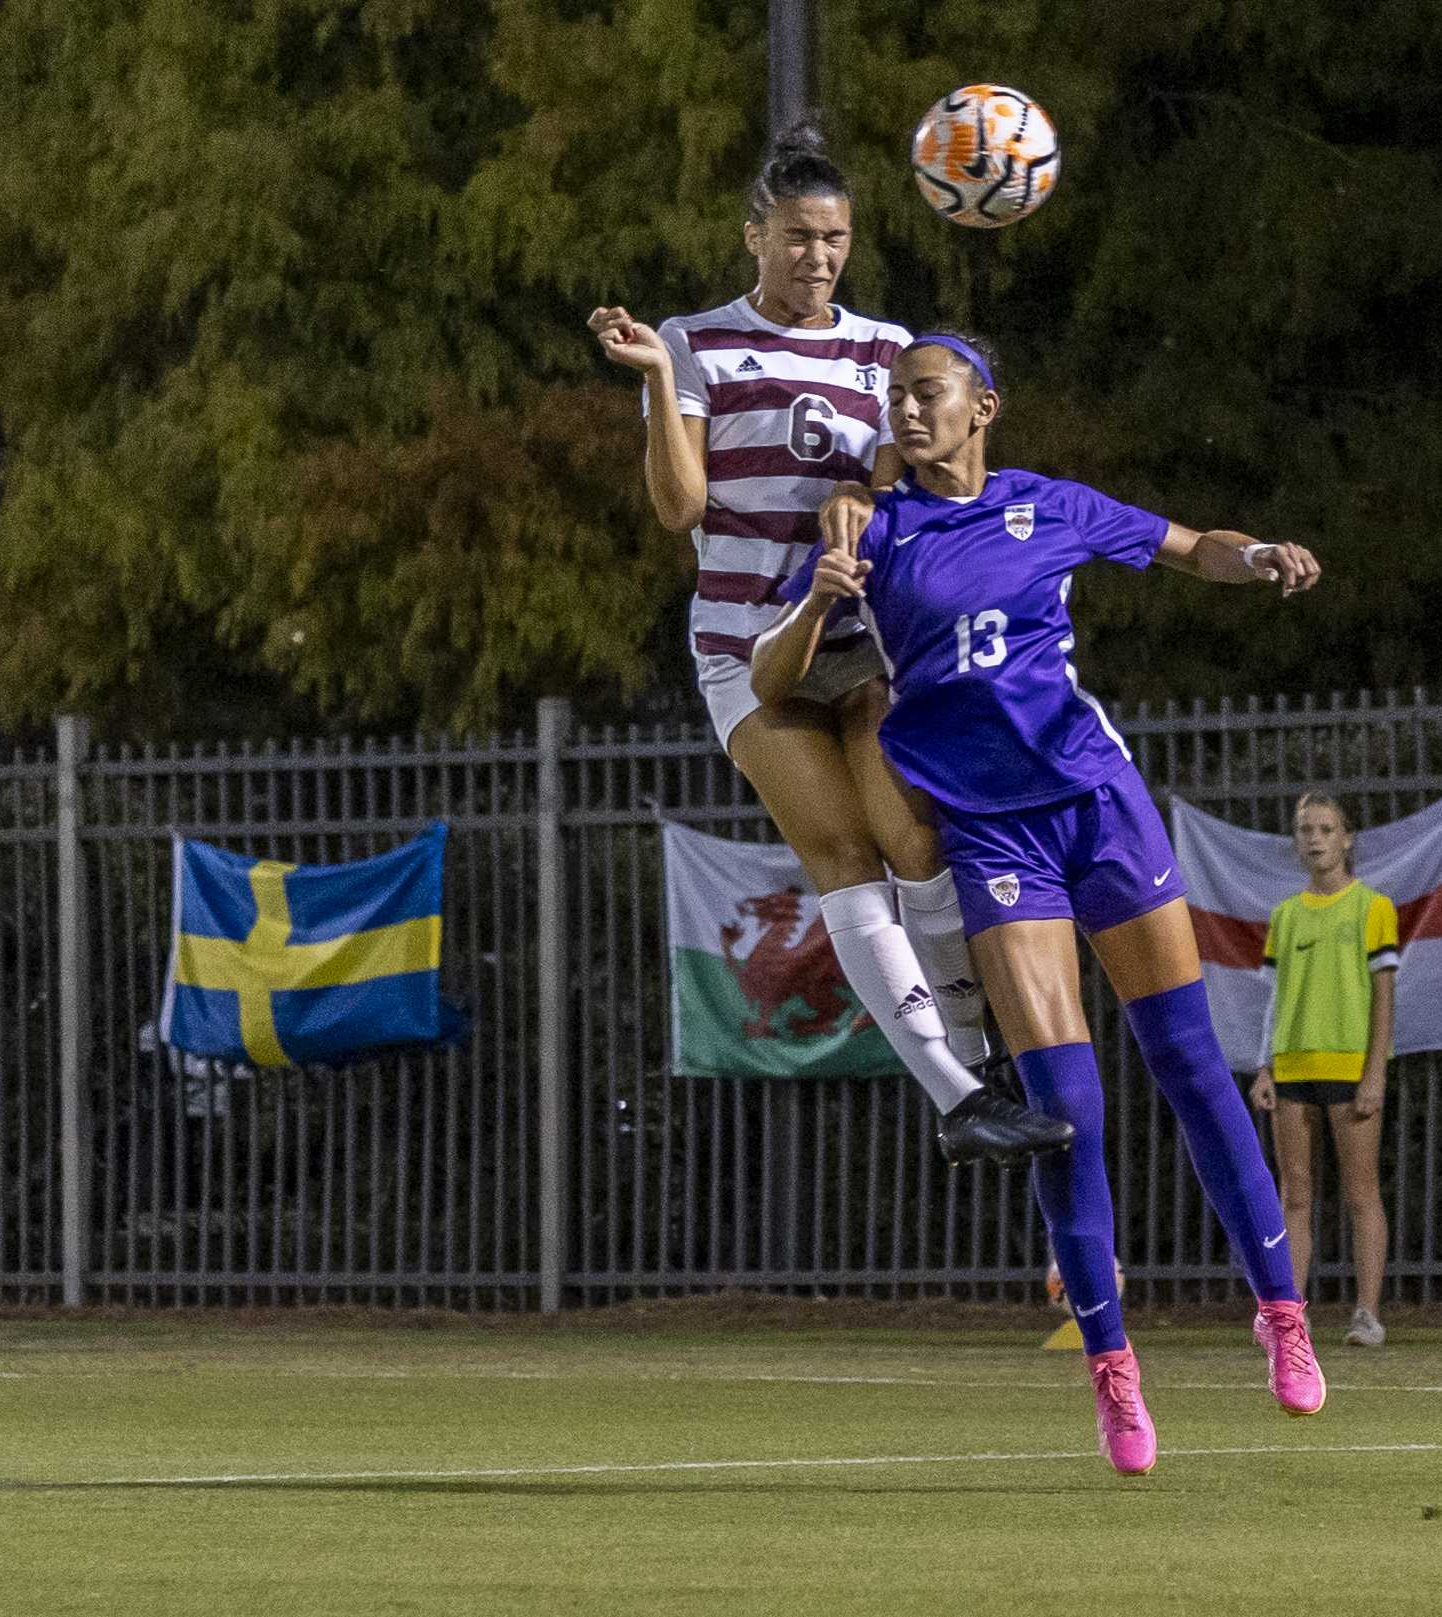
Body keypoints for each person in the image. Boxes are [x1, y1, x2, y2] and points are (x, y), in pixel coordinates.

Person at [752, 333, 1328, 1477]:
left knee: (1191, 1066)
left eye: (927, 395)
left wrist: (1254, 552)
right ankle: (1111, 1368)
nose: (905, 412)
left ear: (982, 409)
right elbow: (773, 682)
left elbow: (1185, 548)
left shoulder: (1047, 506)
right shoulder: (869, 528)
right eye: (895, 396)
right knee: (1065, 1110)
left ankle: (1280, 1313)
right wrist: (817, 603)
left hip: (1096, 804)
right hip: (991, 828)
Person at [586, 123, 1069, 1169]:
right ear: (754, 236)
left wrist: (869, 484)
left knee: (917, 845)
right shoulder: (691, 341)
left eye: (836, 238)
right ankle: (957, 1098)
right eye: (799, 236)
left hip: (863, 641)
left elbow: (907, 469)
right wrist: (654, 375)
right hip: (747, 648)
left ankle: (976, 1046)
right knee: (844, 857)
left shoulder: (883, 348)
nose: (819, 257)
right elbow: (679, 508)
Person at [1250, 792, 1398, 1348]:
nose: (1315, 838)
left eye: (1327, 829)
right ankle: (1290, 1318)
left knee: (1361, 1191)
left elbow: (1385, 997)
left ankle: (1366, 1313)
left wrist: (1375, 1072)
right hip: (1291, 1067)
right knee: (1294, 1196)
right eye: (1306, 829)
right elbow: (1272, 1000)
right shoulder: (1285, 915)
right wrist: (1263, 1067)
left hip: (1349, 1066)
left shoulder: (1372, 907)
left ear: (1347, 838)